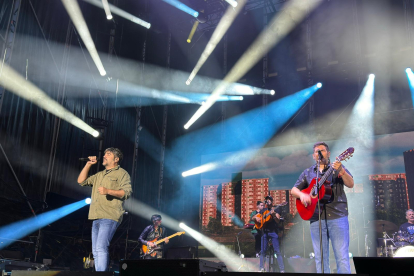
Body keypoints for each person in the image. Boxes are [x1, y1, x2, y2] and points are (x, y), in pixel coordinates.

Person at [291, 142, 354, 274]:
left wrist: (341, 170)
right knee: (320, 258)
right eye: (317, 151)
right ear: (314, 155)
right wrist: (302, 195)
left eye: (323, 150)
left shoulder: (336, 167)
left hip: (337, 216)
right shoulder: (308, 172)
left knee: (342, 257)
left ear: (328, 153)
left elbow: (351, 184)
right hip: (316, 218)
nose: (320, 153)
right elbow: (293, 190)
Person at [77, 148, 132, 271]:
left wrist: (108, 191)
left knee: (101, 247)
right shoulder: (100, 175)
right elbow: (81, 181)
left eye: (109, 154)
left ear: (116, 159)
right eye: (105, 154)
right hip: (96, 216)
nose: (104, 156)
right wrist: (88, 164)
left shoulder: (122, 173)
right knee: (95, 250)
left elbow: (127, 193)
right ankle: (99, 272)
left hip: (110, 215)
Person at [254, 196, 285, 273]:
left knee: (277, 251)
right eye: (266, 200)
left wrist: (273, 214)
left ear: (271, 201)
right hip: (264, 232)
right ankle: (261, 268)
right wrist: (256, 219)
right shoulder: (263, 210)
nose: (267, 201)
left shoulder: (276, 209)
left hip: (273, 232)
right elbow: (253, 217)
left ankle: (282, 270)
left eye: (269, 199)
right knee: (263, 251)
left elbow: (278, 220)